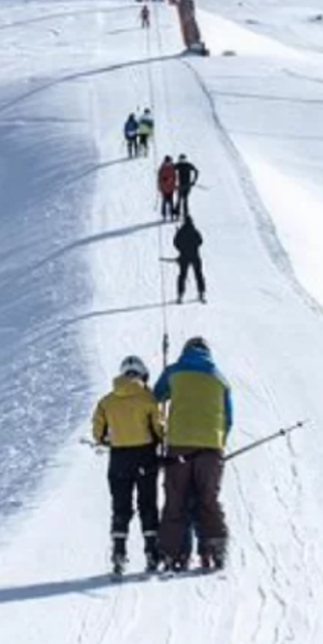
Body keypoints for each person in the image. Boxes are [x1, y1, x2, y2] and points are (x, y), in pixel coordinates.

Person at [153, 337, 232, 571]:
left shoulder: (174, 371)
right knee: (208, 499)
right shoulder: (220, 378)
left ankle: (173, 554)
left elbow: (156, 397)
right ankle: (214, 549)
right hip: (211, 448)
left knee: (176, 499)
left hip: (179, 445)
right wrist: (218, 444)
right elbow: (229, 419)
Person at [92, 355, 164, 573]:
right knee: (147, 505)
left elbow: (98, 433)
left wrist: (108, 440)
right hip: (145, 457)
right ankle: (152, 552)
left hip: (119, 458)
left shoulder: (106, 402)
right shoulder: (148, 399)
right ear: (142, 375)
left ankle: (119, 552)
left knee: (121, 506)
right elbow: (159, 430)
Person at [173, 215, 205, 304]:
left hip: (184, 257)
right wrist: (194, 247)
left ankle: (180, 295)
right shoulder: (195, 231)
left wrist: (181, 249)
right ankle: (201, 292)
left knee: (182, 276)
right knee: (198, 274)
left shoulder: (181, 231)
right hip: (195, 256)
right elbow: (200, 241)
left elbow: (175, 242)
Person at [173, 153, 199, 219]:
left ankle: (178, 214)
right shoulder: (188, 165)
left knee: (180, 200)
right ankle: (184, 213)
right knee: (184, 200)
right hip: (186, 186)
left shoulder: (179, 165)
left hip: (182, 186)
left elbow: (171, 169)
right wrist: (193, 181)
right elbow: (196, 171)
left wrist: (193, 181)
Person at [157, 155, 177, 221]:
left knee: (171, 202)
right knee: (164, 202)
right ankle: (164, 215)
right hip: (164, 188)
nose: (168, 163)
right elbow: (160, 178)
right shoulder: (162, 168)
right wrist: (161, 186)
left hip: (170, 188)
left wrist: (174, 185)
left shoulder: (172, 168)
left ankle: (172, 215)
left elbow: (175, 177)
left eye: (169, 162)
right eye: (167, 162)